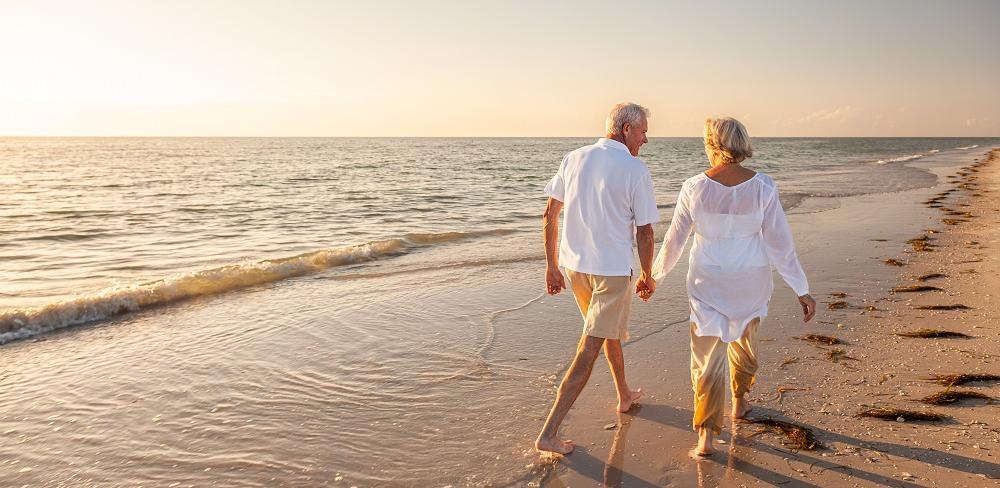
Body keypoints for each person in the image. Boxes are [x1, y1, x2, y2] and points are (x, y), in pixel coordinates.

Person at [651, 117, 816, 456]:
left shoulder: (693, 187)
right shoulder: (764, 186)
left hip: (706, 281)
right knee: (744, 345)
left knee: (706, 359)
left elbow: (674, 243)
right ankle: (739, 403)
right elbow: (780, 245)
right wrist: (802, 288)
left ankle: (706, 438)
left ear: (712, 144)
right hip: (750, 281)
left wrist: (653, 277)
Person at [534, 102, 659, 455]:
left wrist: (552, 266)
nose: (646, 139)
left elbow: (549, 216)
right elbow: (645, 232)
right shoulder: (635, 169)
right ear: (626, 130)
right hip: (611, 273)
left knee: (606, 332)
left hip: (575, 269)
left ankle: (623, 394)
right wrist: (648, 274)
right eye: (644, 131)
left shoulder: (573, 157)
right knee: (589, 346)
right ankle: (549, 433)